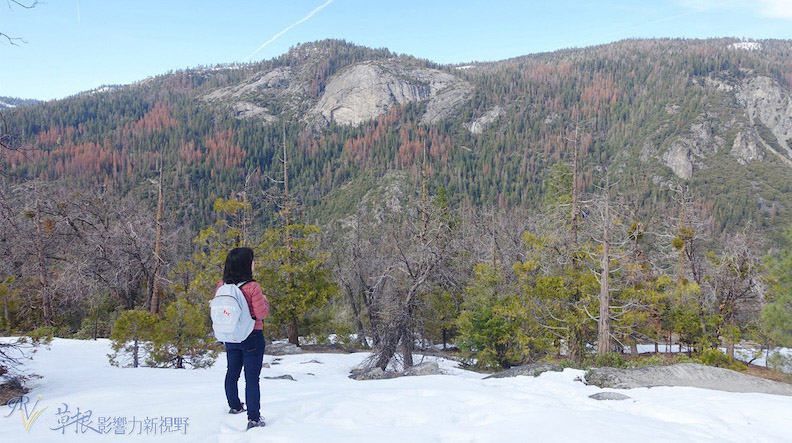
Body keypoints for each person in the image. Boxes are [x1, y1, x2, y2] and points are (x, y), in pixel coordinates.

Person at [217, 247, 270, 430]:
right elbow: (261, 313)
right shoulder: (252, 287)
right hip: (251, 335)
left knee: (232, 373)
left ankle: (235, 405)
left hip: (230, 336)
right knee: (252, 378)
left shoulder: (222, 285)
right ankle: (253, 419)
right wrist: (265, 301)